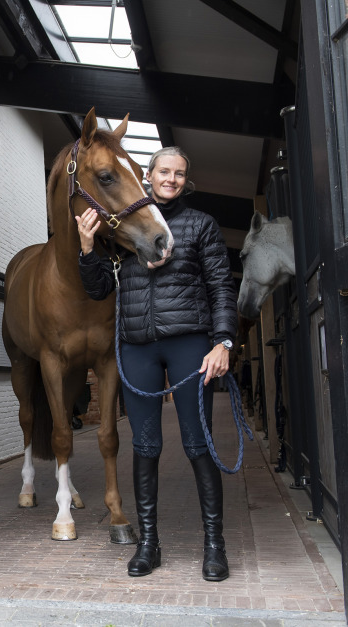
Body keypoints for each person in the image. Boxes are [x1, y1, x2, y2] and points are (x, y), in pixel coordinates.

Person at [75, 146, 237, 582]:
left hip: (190, 344)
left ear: (186, 179)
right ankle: (149, 544)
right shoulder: (124, 227)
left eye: (180, 173)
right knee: (145, 448)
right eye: (164, 171)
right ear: (148, 175)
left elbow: (222, 286)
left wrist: (223, 341)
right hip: (138, 347)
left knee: (198, 446)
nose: (172, 179)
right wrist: (88, 247)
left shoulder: (200, 224)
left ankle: (215, 547)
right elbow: (97, 291)